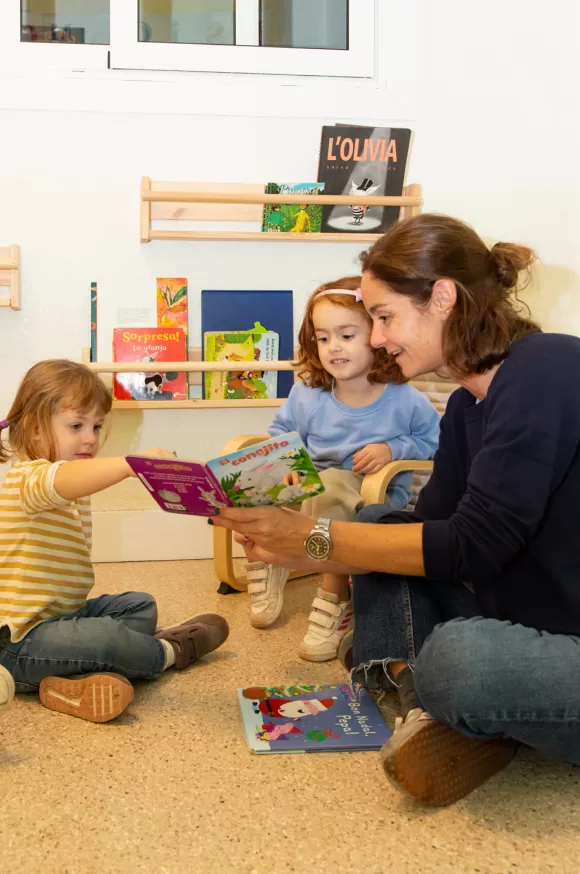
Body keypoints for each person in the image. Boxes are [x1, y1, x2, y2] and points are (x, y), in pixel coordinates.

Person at [213, 213, 580, 806]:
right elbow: (429, 531)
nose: (377, 338)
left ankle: (437, 699)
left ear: (442, 298)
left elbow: (473, 544)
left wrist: (313, 540)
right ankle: (428, 712)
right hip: (518, 614)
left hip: (562, 639)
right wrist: (317, 534)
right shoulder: (465, 408)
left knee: (462, 661)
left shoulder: (548, 368)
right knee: (378, 524)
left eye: (384, 317)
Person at [0, 360, 229, 723]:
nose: (90, 437)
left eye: (96, 426)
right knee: (107, 638)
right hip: (17, 644)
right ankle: (168, 651)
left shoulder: (64, 479)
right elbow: (62, 480)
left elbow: (73, 480)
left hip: (62, 618)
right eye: (76, 426)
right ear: (34, 429)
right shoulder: (26, 479)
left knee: (139, 606)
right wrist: (132, 464)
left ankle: (70, 681)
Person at [243, 275, 440, 661]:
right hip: (309, 484)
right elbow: (281, 432)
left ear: (377, 336)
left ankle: (334, 597)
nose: (334, 347)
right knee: (250, 478)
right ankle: (268, 561)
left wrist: (392, 447)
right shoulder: (309, 392)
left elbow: (436, 442)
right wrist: (281, 465)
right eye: (323, 337)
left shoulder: (403, 398)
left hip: (372, 493)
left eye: (347, 336)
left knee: (331, 486)